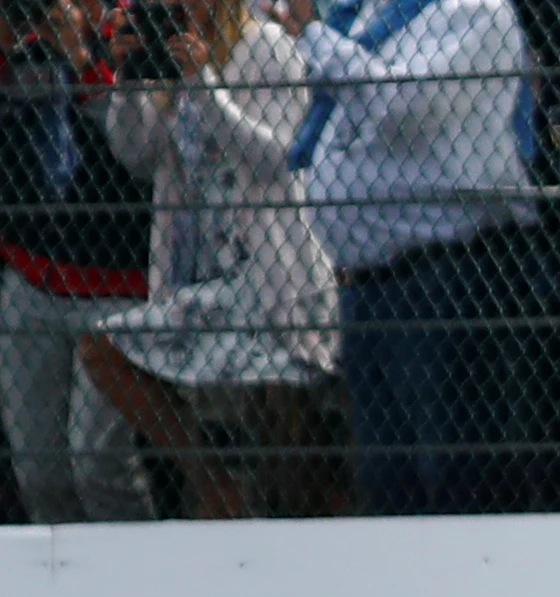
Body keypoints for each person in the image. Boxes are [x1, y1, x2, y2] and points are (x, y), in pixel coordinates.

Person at [293, 0, 547, 511]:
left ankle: (469, 579)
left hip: (442, 278)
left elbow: (403, 107)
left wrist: (314, 35)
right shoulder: (362, 16)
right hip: (365, 285)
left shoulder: (475, 12)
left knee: (451, 468)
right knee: (385, 475)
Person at [79, 0, 329, 516]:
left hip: (267, 275)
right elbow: (137, 154)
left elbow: (277, 158)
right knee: (104, 352)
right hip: (192, 275)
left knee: (288, 469)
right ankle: (213, 481)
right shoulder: (168, 56)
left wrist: (204, 84)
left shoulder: (266, 48)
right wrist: (128, 81)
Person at [0, 0, 162, 521]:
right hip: (33, 279)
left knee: (97, 464)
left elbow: (135, 155)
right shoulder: (23, 37)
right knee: (38, 470)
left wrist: (81, 59)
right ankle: (63, 588)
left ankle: (136, 582)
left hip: (114, 283)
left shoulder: (135, 30)